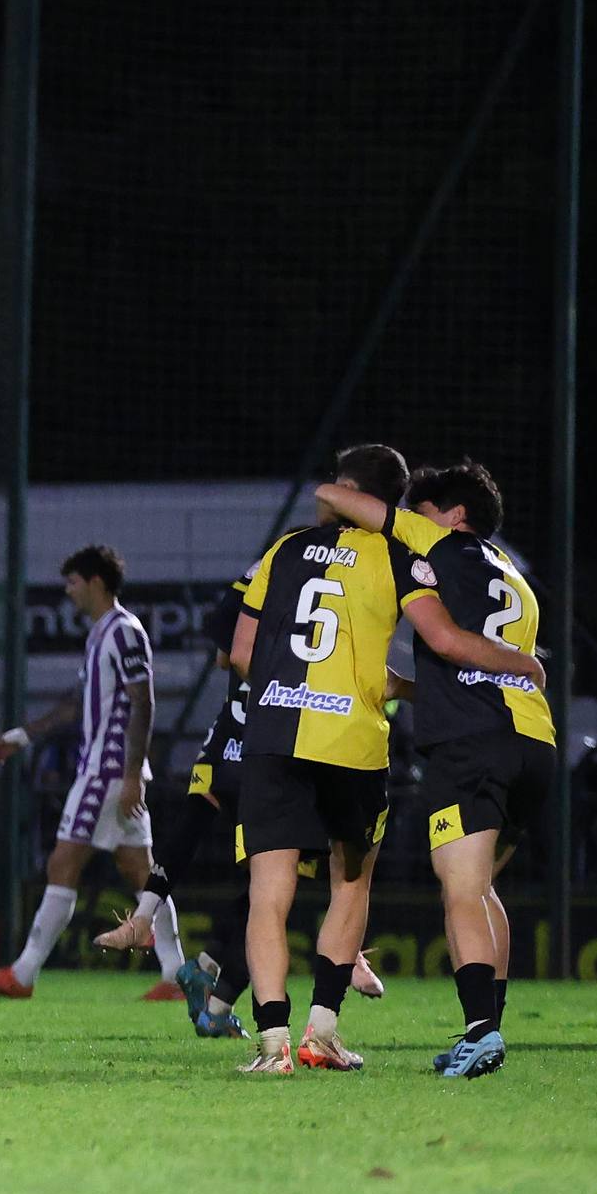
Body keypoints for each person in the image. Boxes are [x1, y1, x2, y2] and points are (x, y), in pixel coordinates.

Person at [224, 443, 542, 1075]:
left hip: (275, 735)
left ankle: (271, 1045)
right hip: (359, 743)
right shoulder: (410, 557)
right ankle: (324, 1032)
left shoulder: (283, 550)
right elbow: (440, 637)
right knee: (356, 881)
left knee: (269, 891)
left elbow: (240, 652)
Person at [315, 459, 547, 1080]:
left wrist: (389, 513)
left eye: (424, 509)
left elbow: (331, 493)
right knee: (484, 890)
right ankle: (489, 1029)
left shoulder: (436, 541)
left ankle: (479, 1034)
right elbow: (477, 670)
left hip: (474, 747)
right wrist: (408, 689)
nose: (412, 521)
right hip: (533, 741)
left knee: (461, 890)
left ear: (455, 516)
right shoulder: (516, 579)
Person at [0, 545, 192, 1006]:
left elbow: (144, 701)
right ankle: (176, 975)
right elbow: (78, 704)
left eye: (73, 582)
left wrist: (133, 773)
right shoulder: (101, 634)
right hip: (110, 769)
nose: (68, 592)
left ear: (95, 582)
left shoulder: (123, 631)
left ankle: (23, 972)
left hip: (108, 770)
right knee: (141, 872)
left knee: (64, 862)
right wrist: (23, 736)